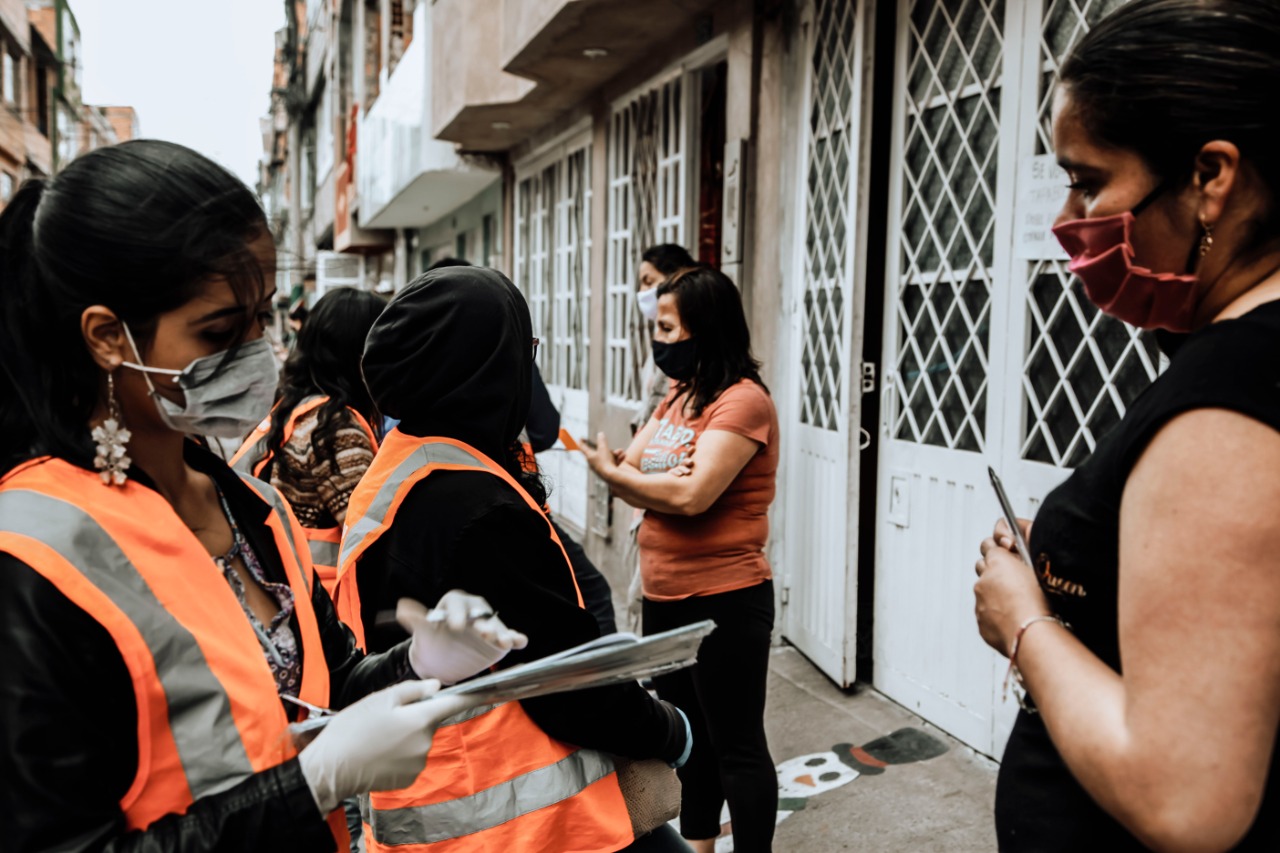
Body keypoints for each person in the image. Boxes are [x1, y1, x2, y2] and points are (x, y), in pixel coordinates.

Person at [0, 140, 525, 852]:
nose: (260, 353)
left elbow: (323, 685)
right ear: (106, 337)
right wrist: (311, 785)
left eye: (264, 319)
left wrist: (421, 661)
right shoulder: (32, 550)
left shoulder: (252, 507)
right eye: (220, 331)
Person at [972, 2, 1280, 849]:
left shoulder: (1234, 389)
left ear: (1210, 175)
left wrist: (1022, 619)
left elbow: (1186, 795)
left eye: (1087, 180)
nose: (1066, 221)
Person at [331, 265, 694, 853]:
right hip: (528, 825)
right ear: (484, 367)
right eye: (524, 351)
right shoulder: (480, 508)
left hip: (430, 805)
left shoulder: (400, 467)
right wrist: (670, 730)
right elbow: (569, 681)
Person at [582, 265, 780, 853]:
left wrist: (620, 476)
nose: (659, 340)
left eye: (668, 328)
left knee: (736, 745)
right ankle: (699, 846)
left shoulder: (744, 402)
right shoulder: (679, 394)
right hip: (664, 597)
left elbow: (693, 495)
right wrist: (624, 471)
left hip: (725, 599)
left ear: (704, 327)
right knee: (690, 741)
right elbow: (639, 465)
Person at [230, 287, 385, 596]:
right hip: (325, 602)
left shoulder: (293, 410)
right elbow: (370, 535)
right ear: (360, 352)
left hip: (282, 588)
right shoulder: (335, 427)